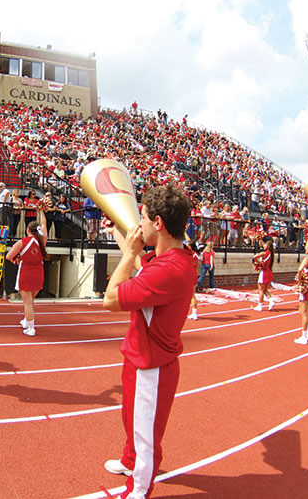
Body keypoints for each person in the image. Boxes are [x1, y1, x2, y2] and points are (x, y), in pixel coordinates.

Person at [100, 185, 196, 498]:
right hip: (140, 356)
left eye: (142, 218)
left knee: (145, 434)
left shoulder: (170, 270)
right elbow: (144, 267)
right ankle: (131, 461)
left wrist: (127, 254)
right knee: (131, 419)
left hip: (152, 365)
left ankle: (138, 489)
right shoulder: (171, 259)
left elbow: (111, 299)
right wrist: (120, 234)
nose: (138, 224)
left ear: (158, 223)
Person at [6, 208, 48, 336]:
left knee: (27, 303)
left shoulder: (21, 242)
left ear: (27, 230)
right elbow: (45, 224)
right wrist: (41, 211)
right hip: (39, 273)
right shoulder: (43, 240)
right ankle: (26, 320)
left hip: (26, 273)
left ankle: (31, 327)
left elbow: (8, 256)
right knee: (30, 300)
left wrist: (17, 259)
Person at [252, 239, 276, 311]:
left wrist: (258, 263)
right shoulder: (271, 254)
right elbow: (263, 244)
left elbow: (254, 257)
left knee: (261, 290)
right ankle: (271, 301)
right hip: (269, 272)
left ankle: (260, 305)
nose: (264, 246)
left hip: (264, 273)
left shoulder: (264, 253)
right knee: (265, 289)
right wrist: (261, 241)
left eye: (265, 245)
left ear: (267, 246)